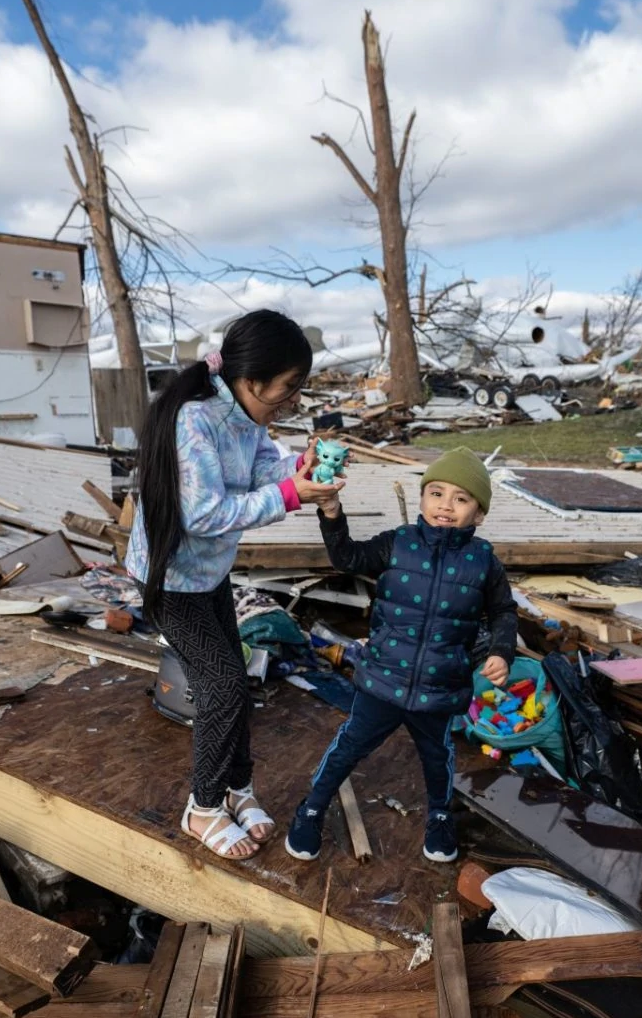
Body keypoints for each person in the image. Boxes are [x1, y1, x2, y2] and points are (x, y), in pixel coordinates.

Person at [127, 310, 344, 860]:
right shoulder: (194, 421)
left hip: (209, 573)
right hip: (172, 579)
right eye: (287, 388)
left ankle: (236, 788)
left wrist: (305, 469)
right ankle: (201, 809)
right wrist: (293, 495)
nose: (291, 399)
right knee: (222, 686)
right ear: (250, 380)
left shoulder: (248, 419)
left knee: (236, 680)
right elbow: (202, 513)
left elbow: (266, 471)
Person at [285, 446, 517, 863]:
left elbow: (503, 611)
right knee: (348, 748)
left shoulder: (484, 562)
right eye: (437, 493)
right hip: (382, 681)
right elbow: (347, 557)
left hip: (440, 687)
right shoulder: (399, 543)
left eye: (461, 499)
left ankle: (441, 817)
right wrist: (332, 511)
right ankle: (312, 808)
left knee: (438, 757)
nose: (446, 505)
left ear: (479, 514)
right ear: (423, 498)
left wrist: (502, 651)